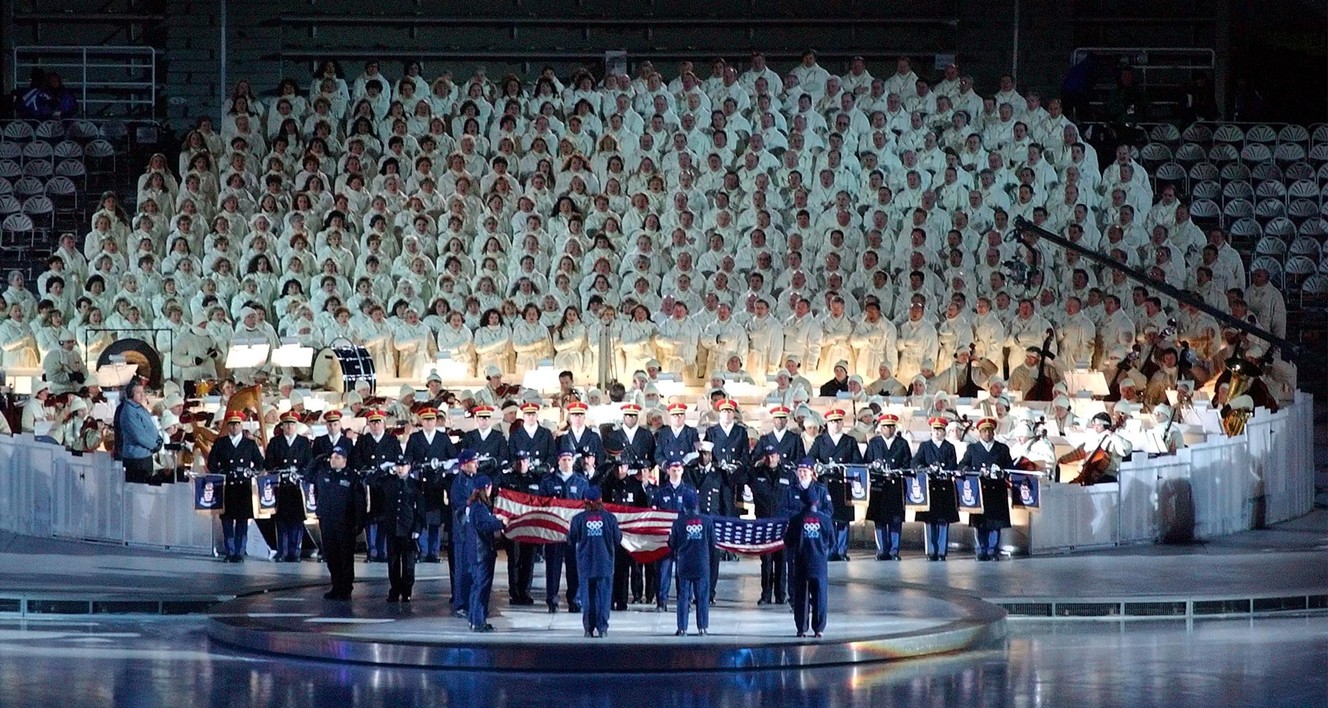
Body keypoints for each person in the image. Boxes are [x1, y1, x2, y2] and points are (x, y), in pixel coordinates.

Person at [207, 410, 264, 562]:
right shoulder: (221, 443)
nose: (234, 427)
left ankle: (239, 551)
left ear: (241, 425)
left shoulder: (249, 443)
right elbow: (211, 462)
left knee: (242, 520)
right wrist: (220, 472)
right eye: (231, 424)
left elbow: (259, 463)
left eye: (237, 424)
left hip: (243, 486)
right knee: (227, 520)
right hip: (227, 486)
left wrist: (252, 472)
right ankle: (229, 551)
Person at [540, 449, 592, 612]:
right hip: (554, 532)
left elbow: (588, 506)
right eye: (563, 459)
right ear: (558, 461)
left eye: (569, 459)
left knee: (574, 567)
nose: (566, 462)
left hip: (574, 534)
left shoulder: (581, 482)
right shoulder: (548, 481)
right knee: (553, 568)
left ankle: (574, 600)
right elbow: (541, 504)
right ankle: (552, 600)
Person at [311, 443, 364, 600]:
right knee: (331, 556)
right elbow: (308, 475)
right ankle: (336, 585)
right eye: (332, 457)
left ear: (345, 460)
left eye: (337, 457)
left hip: (345, 522)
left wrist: (359, 523)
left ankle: (346, 588)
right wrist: (318, 459)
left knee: (345, 557)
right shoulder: (324, 474)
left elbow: (359, 502)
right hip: (327, 522)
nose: (333, 460)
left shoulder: (352, 477)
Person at [807, 408, 861, 561]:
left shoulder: (849, 441)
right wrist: (818, 466)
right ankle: (829, 549)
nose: (835, 424)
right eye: (832, 422)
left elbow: (857, 461)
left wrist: (844, 467)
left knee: (843, 519)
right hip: (826, 484)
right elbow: (810, 457)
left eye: (838, 421)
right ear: (827, 423)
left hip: (844, 484)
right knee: (827, 518)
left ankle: (842, 550)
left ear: (842, 423)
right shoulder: (820, 440)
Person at [568, 485, 621, 638]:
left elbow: (571, 539)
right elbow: (617, 540)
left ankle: (588, 629)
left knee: (587, 597)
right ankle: (602, 628)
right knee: (604, 597)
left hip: (585, 564)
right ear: (600, 500)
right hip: (605, 563)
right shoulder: (610, 519)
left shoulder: (578, 519)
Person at [959, 417, 1015, 561]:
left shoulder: (1002, 449)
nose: (987, 434)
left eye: (990, 431)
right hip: (979, 491)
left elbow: (1010, 467)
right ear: (979, 433)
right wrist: (969, 470)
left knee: (995, 523)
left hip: (996, 490)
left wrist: (1002, 471)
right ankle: (981, 550)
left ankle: (993, 550)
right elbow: (962, 465)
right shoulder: (973, 449)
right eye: (984, 431)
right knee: (980, 522)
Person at [600, 449, 649, 610]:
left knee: (625, 568)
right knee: (610, 568)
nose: (620, 470)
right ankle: (609, 598)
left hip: (629, 534)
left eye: (623, 467)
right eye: (618, 467)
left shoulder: (635, 486)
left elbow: (643, 508)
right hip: (610, 534)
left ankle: (622, 600)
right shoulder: (606, 484)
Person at [405, 407, 455, 563]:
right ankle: (423, 550)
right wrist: (416, 466)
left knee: (436, 520)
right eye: (426, 420)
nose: (429, 422)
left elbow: (453, 458)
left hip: (437, 484)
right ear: (421, 421)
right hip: (421, 484)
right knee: (422, 518)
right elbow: (408, 458)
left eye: (431, 419)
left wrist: (445, 466)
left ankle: (434, 551)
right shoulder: (415, 438)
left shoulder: (443, 438)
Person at [373, 454, 425, 601]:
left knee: (408, 563)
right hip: (392, 527)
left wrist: (417, 528)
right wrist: (381, 468)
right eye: (398, 466)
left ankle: (407, 590)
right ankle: (395, 589)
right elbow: (371, 481)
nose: (400, 469)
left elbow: (420, 509)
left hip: (408, 529)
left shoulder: (415, 485)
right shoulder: (389, 482)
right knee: (393, 562)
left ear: (409, 467)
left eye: (403, 466)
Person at [746, 445, 792, 604]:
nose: (771, 459)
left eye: (773, 456)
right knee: (766, 561)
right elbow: (736, 479)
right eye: (767, 456)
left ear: (779, 456)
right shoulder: (756, 473)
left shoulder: (788, 474)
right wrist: (752, 464)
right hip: (764, 524)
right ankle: (765, 594)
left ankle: (781, 595)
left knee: (781, 560)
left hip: (782, 525)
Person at [350, 409, 398, 562]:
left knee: (384, 518)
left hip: (386, 484)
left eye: (378, 422)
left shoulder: (392, 441)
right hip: (369, 485)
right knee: (370, 519)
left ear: (384, 423)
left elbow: (398, 459)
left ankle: (383, 551)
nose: (376, 425)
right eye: (372, 422)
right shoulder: (363, 441)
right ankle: (372, 551)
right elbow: (356, 460)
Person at [785, 486, 832, 638]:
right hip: (819, 564)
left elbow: (788, 541)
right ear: (817, 501)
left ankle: (802, 628)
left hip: (801, 564)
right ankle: (819, 629)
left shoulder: (796, 520)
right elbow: (832, 541)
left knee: (801, 598)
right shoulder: (825, 520)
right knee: (820, 597)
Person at [864, 413, 912, 560]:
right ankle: (881, 550)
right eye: (886, 426)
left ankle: (894, 550)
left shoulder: (902, 443)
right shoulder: (874, 442)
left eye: (891, 426)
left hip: (895, 486)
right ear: (881, 427)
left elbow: (907, 463)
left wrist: (897, 472)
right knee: (879, 519)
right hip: (879, 486)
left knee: (895, 520)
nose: (889, 429)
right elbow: (867, 462)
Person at [265, 410, 312, 562]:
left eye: (292, 424)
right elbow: (269, 462)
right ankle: (282, 551)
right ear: (282, 426)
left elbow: (309, 462)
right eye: (287, 424)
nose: (290, 427)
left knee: (297, 521)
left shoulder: (303, 442)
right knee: (281, 520)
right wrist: (278, 470)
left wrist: (300, 472)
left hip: (297, 487)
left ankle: (295, 552)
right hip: (281, 486)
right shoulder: (275, 442)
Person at [651, 456, 697, 612]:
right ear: (668, 471)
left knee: (683, 573)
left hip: (684, 541)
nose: (676, 473)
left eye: (678, 470)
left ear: (682, 470)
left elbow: (694, 515)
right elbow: (654, 514)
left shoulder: (689, 491)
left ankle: (684, 601)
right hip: (665, 539)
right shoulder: (660, 491)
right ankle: (661, 601)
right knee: (663, 572)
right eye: (673, 470)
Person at [668, 488, 715, 636]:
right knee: (702, 597)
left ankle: (682, 628)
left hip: (684, 565)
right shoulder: (707, 522)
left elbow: (672, 544)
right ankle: (702, 627)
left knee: (683, 597)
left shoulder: (678, 523)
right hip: (701, 565)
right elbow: (713, 543)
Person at [499, 450, 544, 604]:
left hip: (531, 526)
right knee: (514, 560)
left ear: (529, 461)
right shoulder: (508, 480)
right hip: (514, 526)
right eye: (518, 460)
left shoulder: (536, 479)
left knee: (529, 560)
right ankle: (515, 592)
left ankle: (525, 592)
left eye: (524, 460)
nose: (521, 463)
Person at [912, 417, 959, 561]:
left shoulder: (949, 447)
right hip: (929, 487)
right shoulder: (925, 446)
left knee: (943, 521)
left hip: (944, 486)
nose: (937, 432)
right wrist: (923, 468)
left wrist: (943, 469)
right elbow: (916, 461)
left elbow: (953, 465)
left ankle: (942, 551)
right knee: (929, 521)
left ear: (945, 432)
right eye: (935, 430)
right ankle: (931, 551)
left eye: (940, 430)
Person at [465, 475, 507, 631]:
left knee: (476, 587)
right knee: (482, 588)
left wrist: (494, 519)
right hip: (481, 553)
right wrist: (500, 523)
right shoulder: (480, 507)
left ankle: (473, 619)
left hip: (475, 553)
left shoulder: (473, 506)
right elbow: (483, 525)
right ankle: (478, 621)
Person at [448, 448, 482, 617]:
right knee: (462, 569)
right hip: (463, 534)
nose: (476, 465)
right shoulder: (459, 484)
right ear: (464, 464)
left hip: (472, 534)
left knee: (471, 569)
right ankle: (461, 603)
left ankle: (469, 601)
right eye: (473, 462)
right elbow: (462, 507)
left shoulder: (472, 480)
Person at [113, 377, 161, 484]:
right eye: (138, 392)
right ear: (131, 393)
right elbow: (138, 435)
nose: (142, 395)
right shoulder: (128, 412)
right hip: (136, 458)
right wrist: (154, 445)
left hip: (146, 456)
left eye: (142, 392)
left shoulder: (140, 408)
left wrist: (158, 439)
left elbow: (150, 426)